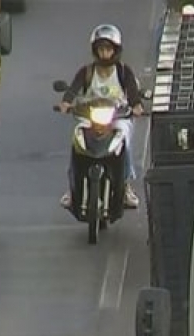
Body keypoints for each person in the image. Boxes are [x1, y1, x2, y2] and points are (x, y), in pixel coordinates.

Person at [56, 24, 144, 210]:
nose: (105, 53)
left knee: (124, 138)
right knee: (76, 140)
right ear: (95, 50)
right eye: (101, 48)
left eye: (108, 49)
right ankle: (72, 189)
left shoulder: (123, 72)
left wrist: (136, 106)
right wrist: (66, 103)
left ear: (116, 50)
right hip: (88, 116)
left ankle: (126, 185)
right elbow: (73, 89)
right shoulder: (86, 72)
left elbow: (133, 92)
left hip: (118, 117)